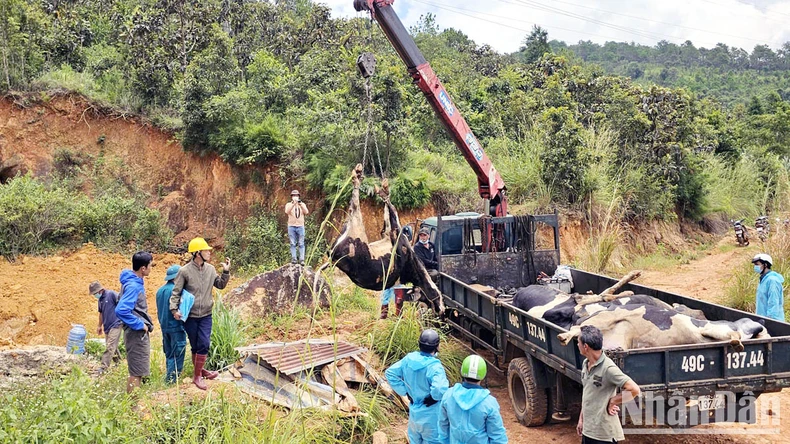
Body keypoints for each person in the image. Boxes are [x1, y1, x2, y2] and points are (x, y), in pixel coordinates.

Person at [170, 237, 230, 390]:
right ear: (197, 253)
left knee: (204, 343)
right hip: (190, 315)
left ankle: (197, 376)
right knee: (196, 345)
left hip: (206, 314)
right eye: (206, 251)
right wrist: (174, 309)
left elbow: (220, 285)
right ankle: (200, 371)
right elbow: (176, 292)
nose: (209, 253)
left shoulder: (210, 269)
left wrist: (226, 271)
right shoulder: (184, 271)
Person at [576, 325, 641, 444]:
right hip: (588, 431)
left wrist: (613, 401)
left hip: (603, 435)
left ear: (585, 347)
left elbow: (634, 389)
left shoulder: (608, 368)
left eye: (578, 342)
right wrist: (581, 420)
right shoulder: (586, 364)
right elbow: (588, 395)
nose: (577, 345)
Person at [385, 329, 449, 444]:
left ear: (419, 344)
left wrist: (405, 392)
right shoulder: (435, 367)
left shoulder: (409, 359)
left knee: (415, 440)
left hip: (414, 412)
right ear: (437, 347)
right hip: (432, 415)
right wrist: (433, 398)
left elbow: (390, 373)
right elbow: (439, 390)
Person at [438, 354, 508, 444]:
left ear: (462, 372)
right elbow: (497, 435)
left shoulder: (448, 395)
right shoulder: (489, 402)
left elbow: (443, 427)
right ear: (483, 375)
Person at [115, 251, 154, 394]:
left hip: (135, 333)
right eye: (150, 265)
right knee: (136, 372)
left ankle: (132, 406)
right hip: (136, 334)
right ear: (143, 268)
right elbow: (121, 310)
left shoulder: (132, 282)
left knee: (137, 370)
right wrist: (140, 324)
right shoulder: (133, 286)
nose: (151, 268)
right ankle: (133, 408)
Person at [156, 265, 186, 384]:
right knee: (177, 353)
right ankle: (173, 381)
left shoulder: (160, 291)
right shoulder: (176, 290)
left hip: (164, 327)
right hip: (176, 327)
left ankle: (169, 378)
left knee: (168, 353)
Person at [89, 281, 122, 372]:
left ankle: (103, 367)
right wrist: (99, 326)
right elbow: (101, 313)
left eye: (95, 293)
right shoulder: (100, 300)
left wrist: (122, 318)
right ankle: (119, 363)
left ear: (100, 290)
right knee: (111, 345)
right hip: (107, 326)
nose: (95, 295)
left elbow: (121, 303)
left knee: (110, 345)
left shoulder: (111, 294)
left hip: (116, 324)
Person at [752, 253, 785, 321]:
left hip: (773, 322)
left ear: (765, 265)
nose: (755, 267)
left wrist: (769, 322)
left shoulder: (772, 281)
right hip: (762, 319)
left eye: (757, 264)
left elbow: (773, 304)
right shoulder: (763, 279)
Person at [285, 189, 309, 265]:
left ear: (299, 196)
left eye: (296, 195)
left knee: (301, 243)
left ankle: (302, 260)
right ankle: (294, 259)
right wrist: (293, 204)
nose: (295, 197)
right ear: (291, 197)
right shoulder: (288, 204)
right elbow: (287, 211)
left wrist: (300, 204)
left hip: (300, 226)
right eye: (294, 196)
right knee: (292, 243)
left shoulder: (302, 204)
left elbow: (306, 212)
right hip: (291, 226)